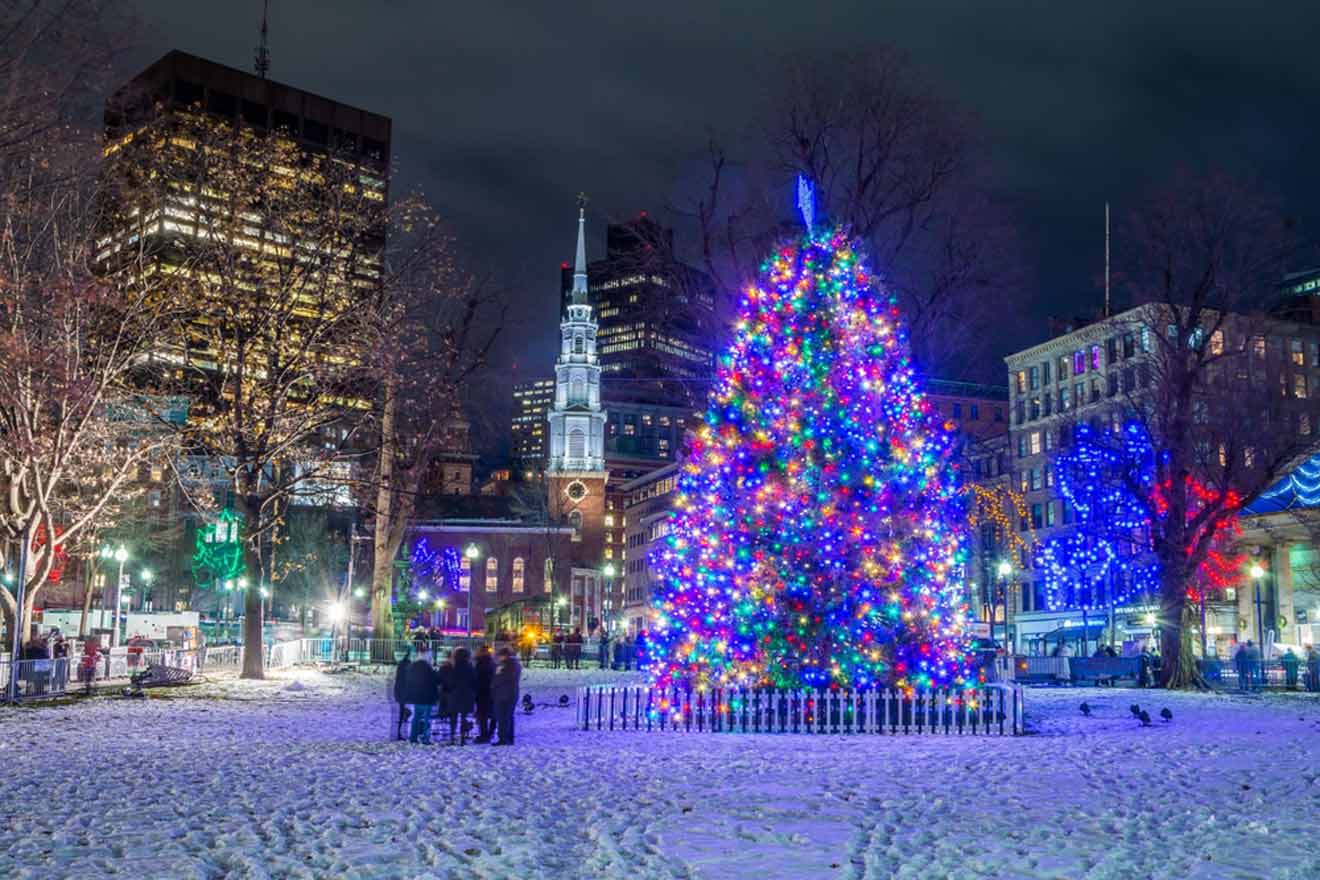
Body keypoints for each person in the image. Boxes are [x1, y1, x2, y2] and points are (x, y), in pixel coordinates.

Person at [402, 644, 439, 744]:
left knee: (416, 717)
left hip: (417, 697)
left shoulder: (413, 667)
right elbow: (436, 680)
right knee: (427, 718)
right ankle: (425, 738)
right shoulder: (429, 669)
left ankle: (413, 737)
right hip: (428, 698)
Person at [446, 647, 477, 745]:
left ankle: (452, 736)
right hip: (467, 696)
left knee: (453, 718)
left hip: (455, 695)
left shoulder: (454, 668)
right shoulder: (470, 668)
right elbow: (474, 682)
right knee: (464, 717)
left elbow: (450, 682)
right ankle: (463, 738)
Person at [491, 646, 522, 746]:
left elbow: (499, 678)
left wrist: (494, 683)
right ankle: (509, 737)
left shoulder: (505, 665)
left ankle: (503, 738)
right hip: (511, 693)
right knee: (508, 716)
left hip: (504, 694)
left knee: (502, 717)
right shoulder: (515, 664)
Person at [473, 645, 495, 743]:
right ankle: (490, 732)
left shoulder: (481, 663)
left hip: (482, 692)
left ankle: (484, 735)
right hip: (490, 692)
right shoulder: (492, 663)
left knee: (482, 716)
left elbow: (477, 678)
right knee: (489, 714)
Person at [393, 647, 412, 741]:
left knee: (402, 711)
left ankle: (399, 732)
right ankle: (399, 733)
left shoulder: (401, 665)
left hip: (399, 690)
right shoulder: (407, 666)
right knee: (401, 712)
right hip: (402, 691)